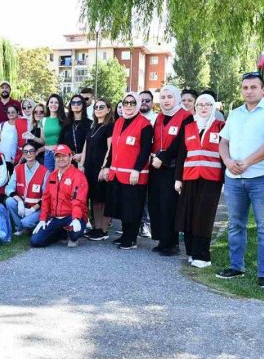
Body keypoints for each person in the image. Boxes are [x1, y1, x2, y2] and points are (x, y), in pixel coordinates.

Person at [216, 72, 264, 287]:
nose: (249, 91)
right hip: (234, 178)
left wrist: (246, 162)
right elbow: (223, 142)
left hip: (261, 178)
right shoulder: (235, 113)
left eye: (253, 87)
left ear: (262, 89)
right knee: (236, 224)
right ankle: (236, 267)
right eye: (245, 87)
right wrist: (227, 161)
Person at [174, 93, 225, 268]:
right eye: (200, 105)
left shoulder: (221, 126)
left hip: (211, 179)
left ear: (213, 108)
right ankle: (191, 252)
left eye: (208, 105)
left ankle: (203, 256)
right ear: (196, 107)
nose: (204, 108)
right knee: (188, 215)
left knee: (204, 217)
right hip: (190, 177)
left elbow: (225, 153)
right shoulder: (188, 126)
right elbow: (181, 154)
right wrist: (178, 179)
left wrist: (226, 179)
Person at [148, 85, 193, 256]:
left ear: (176, 98)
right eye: (163, 97)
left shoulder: (186, 117)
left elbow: (182, 142)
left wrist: (163, 157)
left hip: (172, 167)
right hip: (155, 166)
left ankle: (172, 243)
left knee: (169, 205)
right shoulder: (159, 117)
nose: (166, 101)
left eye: (169, 97)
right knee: (156, 204)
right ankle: (161, 240)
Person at [105, 92, 154, 249]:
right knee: (122, 207)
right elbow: (113, 147)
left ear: (138, 104)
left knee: (133, 208)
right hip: (118, 174)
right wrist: (106, 166)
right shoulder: (119, 122)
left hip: (134, 175)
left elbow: (146, 150)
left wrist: (137, 169)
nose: (128, 106)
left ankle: (131, 239)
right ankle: (125, 235)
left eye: (132, 103)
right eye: (126, 102)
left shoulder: (145, 124)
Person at [30, 144, 88, 248]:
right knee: (36, 241)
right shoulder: (52, 175)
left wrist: (75, 218)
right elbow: (46, 199)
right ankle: (60, 233)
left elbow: (77, 200)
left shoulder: (78, 176)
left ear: (70, 157)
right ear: (55, 158)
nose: (61, 159)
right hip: (56, 217)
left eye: (64, 156)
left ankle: (74, 232)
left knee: (74, 234)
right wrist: (43, 219)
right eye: (58, 156)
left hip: (71, 216)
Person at [80, 98, 114, 241]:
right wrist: (81, 164)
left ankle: (104, 230)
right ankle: (97, 228)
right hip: (89, 167)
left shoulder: (110, 127)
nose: (98, 109)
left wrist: (104, 167)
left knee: (104, 199)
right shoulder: (93, 127)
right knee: (95, 198)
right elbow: (85, 148)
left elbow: (110, 148)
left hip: (101, 168)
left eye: (102, 107)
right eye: (96, 107)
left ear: (108, 110)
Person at [5, 143, 49, 235]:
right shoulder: (18, 169)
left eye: (31, 151)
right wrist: (20, 201)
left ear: (36, 153)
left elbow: (47, 196)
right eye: (25, 151)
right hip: (23, 205)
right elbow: (8, 188)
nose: (28, 154)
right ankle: (20, 228)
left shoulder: (45, 171)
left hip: (37, 208)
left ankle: (31, 225)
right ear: (23, 154)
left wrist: (33, 209)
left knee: (26, 222)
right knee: (9, 201)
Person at [61, 95, 91, 167]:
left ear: (83, 105)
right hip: (68, 161)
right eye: (73, 103)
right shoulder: (66, 124)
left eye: (79, 103)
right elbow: (61, 143)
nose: (76, 105)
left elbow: (92, 144)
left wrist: (82, 155)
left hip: (85, 162)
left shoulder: (90, 124)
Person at [42, 94, 67, 171]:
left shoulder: (64, 120)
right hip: (48, 153)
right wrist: (32, 137)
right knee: (49, 178)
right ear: (48, 104)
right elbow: (43, 140)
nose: (53, 104)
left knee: (60, 177)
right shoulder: (43, 120)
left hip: (61, 154)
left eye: (56, 102)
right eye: (51, 102)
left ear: (60, 105)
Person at [0, 104, 20, 174]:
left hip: (13, 158)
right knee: (2, 179)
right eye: (8, 112)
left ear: (18, 112)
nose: (10, 114)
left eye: (13, 112)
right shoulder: (2, 124)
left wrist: (17, 157)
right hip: (2, 157)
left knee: (13, 179)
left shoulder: (20, 125)